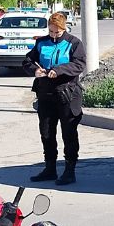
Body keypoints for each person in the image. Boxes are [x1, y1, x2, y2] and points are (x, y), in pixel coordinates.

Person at [23, 12, 86, 185]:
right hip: (46, 95)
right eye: (51, 31)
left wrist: (59, 70)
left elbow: (79, 64)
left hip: (67, 95)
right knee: (47, 133)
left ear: (64, 28)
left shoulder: (74, 43)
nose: (54, 35)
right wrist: (34, 71)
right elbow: (28, 60)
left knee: (69, 133)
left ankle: (69, 170)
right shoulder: (41, 42)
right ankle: (50, 168)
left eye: (57, 32)